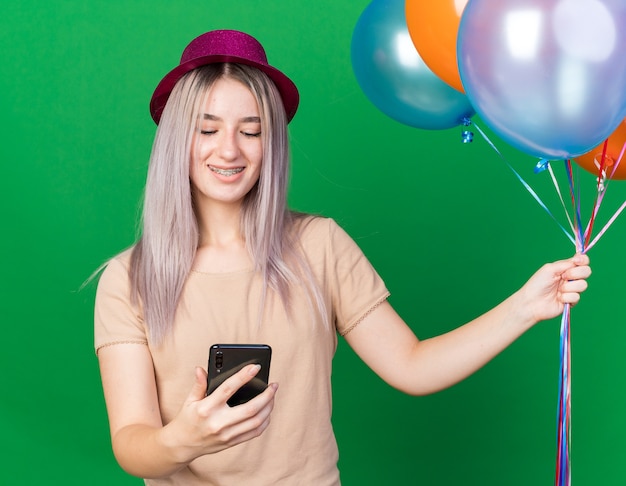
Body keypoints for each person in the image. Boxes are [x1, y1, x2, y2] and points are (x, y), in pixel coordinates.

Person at [94, 29, 591, 486]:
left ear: (272, 144)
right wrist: (185, 439)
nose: (230, 150)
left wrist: (525, 307)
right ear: (176, 140)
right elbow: (132, 443)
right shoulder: (128, 279)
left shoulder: (319, 244)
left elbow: (412, 367)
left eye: (251, 129)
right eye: (207, 130)